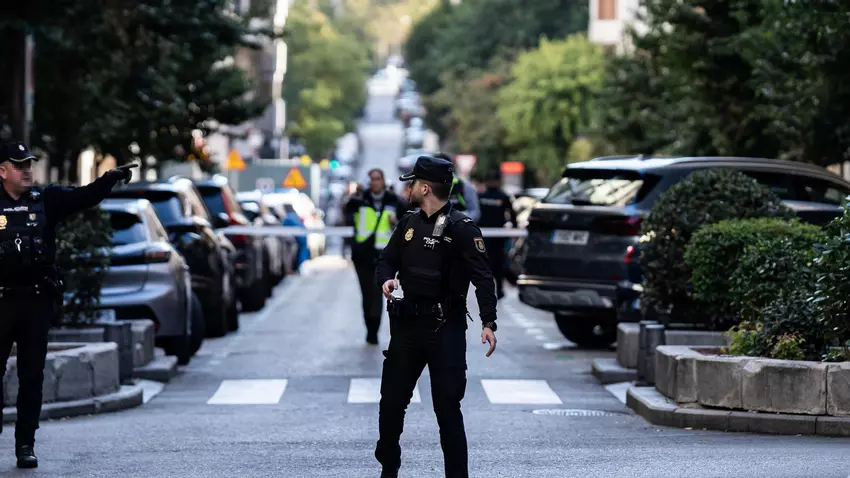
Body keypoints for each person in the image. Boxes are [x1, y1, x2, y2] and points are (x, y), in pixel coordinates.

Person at [0, 141, 136, 468]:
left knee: (32, 376)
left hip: (35, 301)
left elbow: (83, 196)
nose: (27, 170)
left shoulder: (45, 199)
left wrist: (108, 179)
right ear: (2, 171)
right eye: (19, 165)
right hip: (1, 302)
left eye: (29, 164)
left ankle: (25, 445)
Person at [374, 155, 498, 478]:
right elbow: (386, 261)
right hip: (407, 328)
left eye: (413, 183)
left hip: (446, 329)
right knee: (391, 403)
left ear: (425, 188)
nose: (409, 189)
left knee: (447, 409)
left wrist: (488, 322)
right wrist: (386, 279)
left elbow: (483, 278)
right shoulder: (408, 223)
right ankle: (389, 466)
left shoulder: (462, 229)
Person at [343, 169, 402, 344]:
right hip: (362, 255)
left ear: (384, 181)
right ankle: (369, 326)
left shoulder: (394, 201)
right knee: (366, 294)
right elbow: (345, 214)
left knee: (377, 292)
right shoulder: (358, 200)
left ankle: (373, 331)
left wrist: (395, 223)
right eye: (372, 179)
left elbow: (405, 224)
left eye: (378, 179)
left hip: (383, 256)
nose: (375, 182)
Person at [477, 170, 517, 300]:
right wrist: (514, 229)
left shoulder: (481, 196)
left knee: (485, 263)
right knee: (498, 263)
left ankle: (488, 289)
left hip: (484, 236)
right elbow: (513, 215)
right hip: (498, 236)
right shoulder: (503, 196)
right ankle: (499, 290)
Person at [433, 153, 480, 222]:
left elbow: (475, 212)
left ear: (450, 168)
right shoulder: (427, 187)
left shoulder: (465, 187)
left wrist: (457, 221)